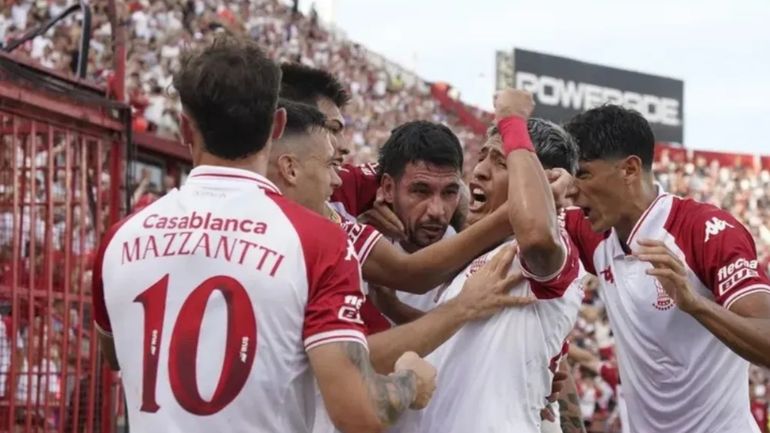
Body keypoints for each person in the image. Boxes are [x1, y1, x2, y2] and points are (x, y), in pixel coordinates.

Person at [90, 35, 436, 433]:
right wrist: (410, 380)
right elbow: (359, 413)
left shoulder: (119, 238)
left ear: (185, 128)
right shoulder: (318, 241)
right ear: (277, 125)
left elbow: (116, 353)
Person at [266, 100, 532, 433]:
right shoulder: (338, 236)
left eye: (449, 192)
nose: (436, 210)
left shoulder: (487, 257)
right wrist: (513, 213)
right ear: (387, 189)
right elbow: (409, 277)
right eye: (420, 191)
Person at [560, 104, 770, 432]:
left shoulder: (706, 230)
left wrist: (695, 304)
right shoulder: (592, 229)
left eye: (583, 174)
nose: (572, 190)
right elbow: (521, 217)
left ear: (629, 170)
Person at [392, 89, 586, 433]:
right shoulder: (476, 255)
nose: (478, 171)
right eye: (481, 157)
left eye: (499, 162)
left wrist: (512, 117)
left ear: (544, 181)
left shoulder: (548, 249)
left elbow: (539, 236)